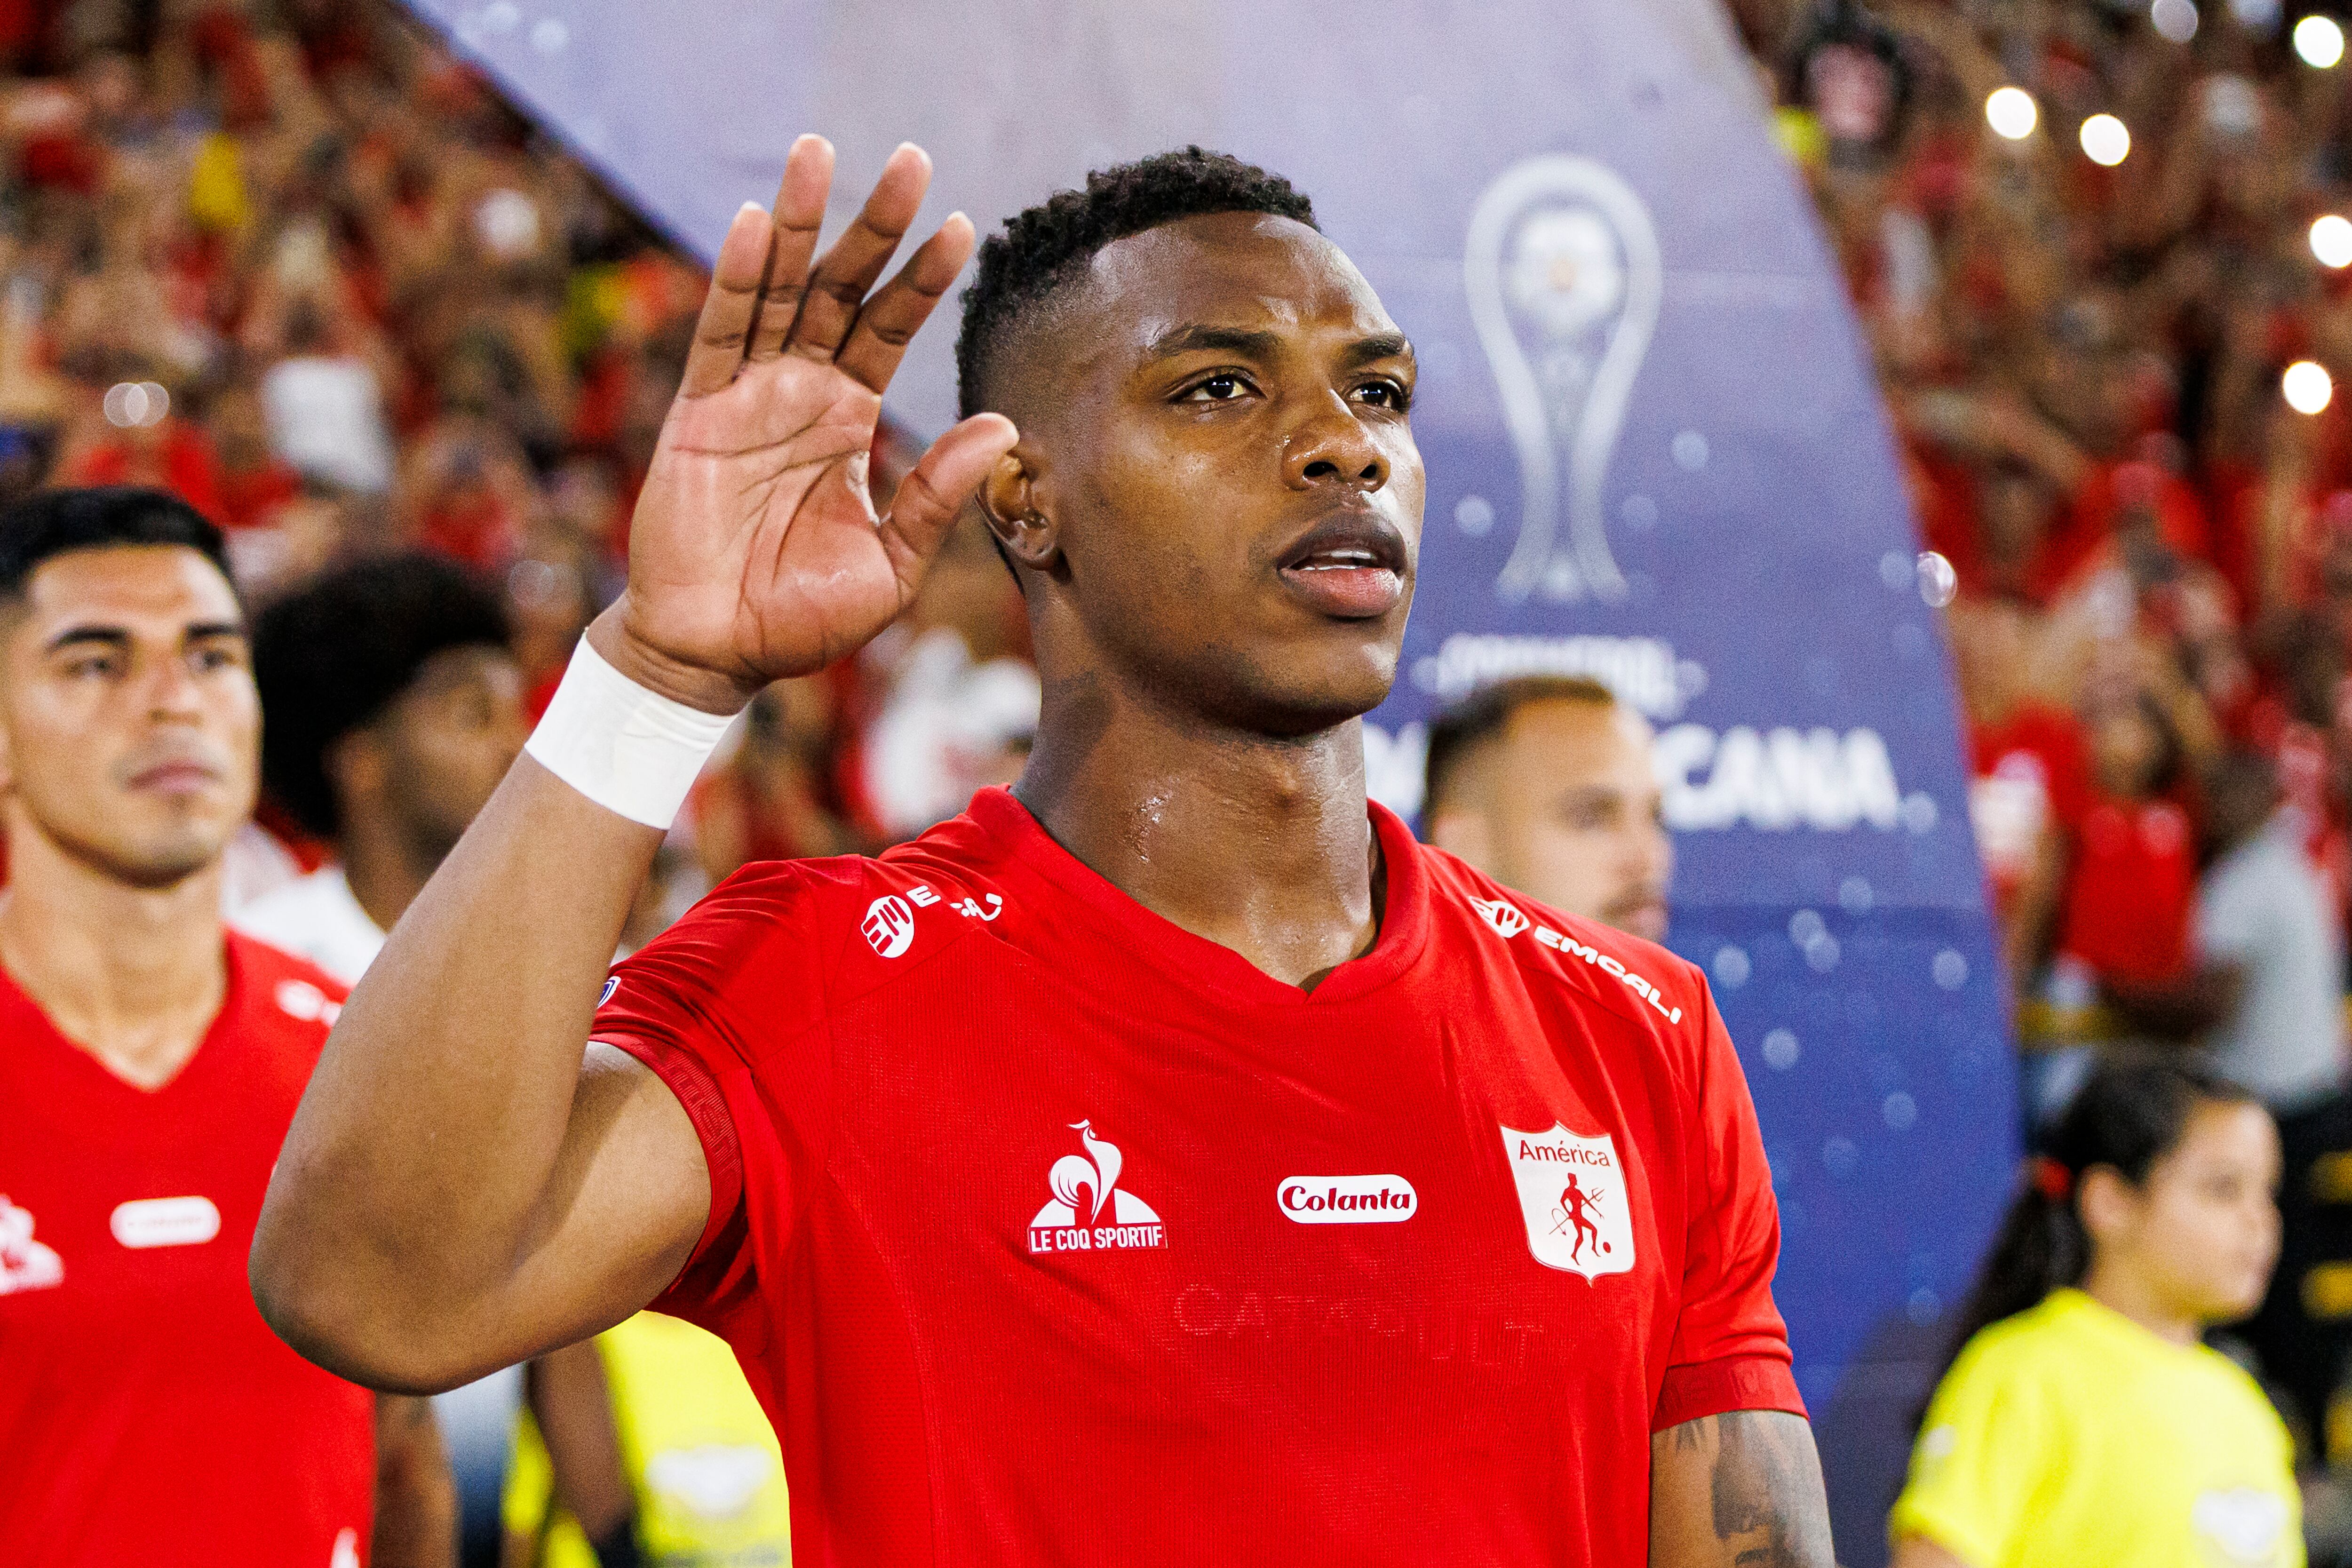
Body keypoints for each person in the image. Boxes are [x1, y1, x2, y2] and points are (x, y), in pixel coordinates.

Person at [252, 139, 1831, 1564]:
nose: (1342, 445)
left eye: (1380, 392)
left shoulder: (1639, 1034)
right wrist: (654, 680)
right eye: (1220, 387)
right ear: (1024, 497)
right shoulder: (820, 984)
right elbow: (379, 1285)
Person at [0, 487, 451, 1563]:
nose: (172, 701)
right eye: (97, 663)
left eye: (209, 656)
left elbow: (407, 1463)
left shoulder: (357, 1059)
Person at [1888, 1057, 2295, 1568]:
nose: (2260, 1221)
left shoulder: (2246, 1405)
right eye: (2222, 1189)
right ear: (2110, 1202)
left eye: (2268, 1192)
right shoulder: (2019, 1374)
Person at [235, 552, 525, 984]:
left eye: (519, 716)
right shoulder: (260, 961)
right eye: (473, 716)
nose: (518, 747)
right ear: (362, 760)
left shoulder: (568, 960)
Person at [1421, 674, 1672, 941]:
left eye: (1655, 817)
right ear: (1463, 847)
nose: (1648, 859)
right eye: (1590, 818)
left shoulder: (1684, 981)